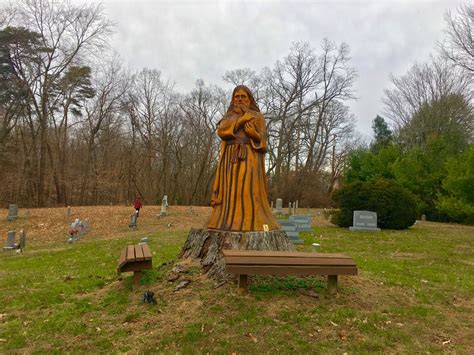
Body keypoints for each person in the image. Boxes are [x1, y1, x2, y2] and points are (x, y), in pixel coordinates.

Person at [207, 85, 279, 232]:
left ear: (249, 99)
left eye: (243, 96)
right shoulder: (228, 116)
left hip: (250, 157)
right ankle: (226, 220)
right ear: (233, 99)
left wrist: (253, 134)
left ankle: (250, 221)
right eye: (236, 96)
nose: (239, 99)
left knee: (247, 188)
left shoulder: (257, 116)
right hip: (231, 157)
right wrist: (240, 121)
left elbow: (263, 141)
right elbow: (222, 132)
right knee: (229, 189)